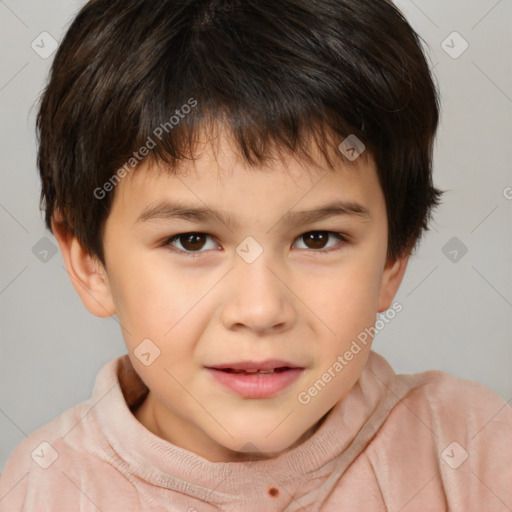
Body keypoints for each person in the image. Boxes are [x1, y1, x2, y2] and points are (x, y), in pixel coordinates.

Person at [1, 0, 510, 510]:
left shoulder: (474, 451)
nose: (261, 310)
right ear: (90, 261)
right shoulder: (46, 487)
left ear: (393, 257)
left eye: (317, 239)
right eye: (192, 241)